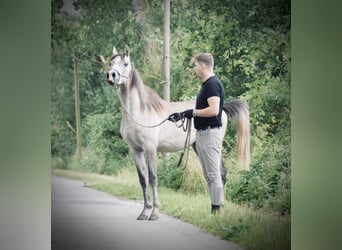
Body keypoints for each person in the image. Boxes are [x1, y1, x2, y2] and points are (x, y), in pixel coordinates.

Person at [181, 53, 225, 214]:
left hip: (210, 134)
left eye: (195, 65)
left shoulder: (212, 85)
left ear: (203, 66)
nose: (194, 68)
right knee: (208, 174)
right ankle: (215, 206)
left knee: (213, 174)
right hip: (203, 133)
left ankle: (217, 210)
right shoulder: (207, 84)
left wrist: (194, 113)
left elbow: (214, 110)